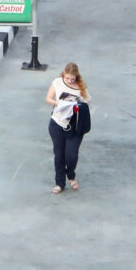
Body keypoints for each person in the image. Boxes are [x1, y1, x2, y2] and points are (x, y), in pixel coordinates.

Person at [46, 62, 90, 194]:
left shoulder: (81, 88)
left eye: (72, 79)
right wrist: (57, 103)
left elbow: (86, 105)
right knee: (59, 155)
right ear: (64, 74)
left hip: (74, 126)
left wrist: (76, 106)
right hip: (57, 123)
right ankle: (59, 183)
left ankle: (71, 175)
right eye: (68, 78)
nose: (70, 81)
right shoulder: (57, 82)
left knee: (71, 155)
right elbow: (48, 98)